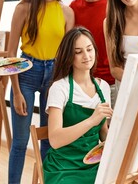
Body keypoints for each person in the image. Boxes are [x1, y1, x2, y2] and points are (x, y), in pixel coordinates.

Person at [7, 0, 74, 184]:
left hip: (54, 75)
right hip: (26, 72)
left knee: (49, 138)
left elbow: (68, 54)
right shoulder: (23, 9)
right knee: (20, 141)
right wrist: (15, 91)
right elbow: (10, 55)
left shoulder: (66, 12)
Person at [43, 27, 113, 184]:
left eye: (89, 49)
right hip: (63, 167)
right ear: (69, 56)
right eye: (78, 52)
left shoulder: (104, 87)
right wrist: (92, 120)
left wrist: (115, 144)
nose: (86, 56)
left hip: (94, 162)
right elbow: (54, 139)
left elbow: (102, 132)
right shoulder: (60, 88)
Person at [69, 0, 117, 107]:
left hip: (113, 80)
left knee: (115, 129)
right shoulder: (74, 8)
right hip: (87, 84)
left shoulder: (114, 3)